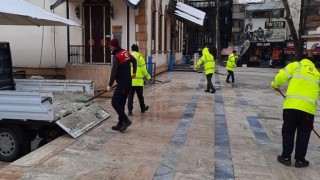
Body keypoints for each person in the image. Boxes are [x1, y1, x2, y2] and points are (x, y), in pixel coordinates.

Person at [271, 56, 320, 168]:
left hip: (291, 107)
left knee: (288, 132)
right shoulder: (317, 73)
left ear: (303, 60)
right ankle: (300, 160)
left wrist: (275, 84)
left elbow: (281, 76)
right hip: (308, 110)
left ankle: (286, 157)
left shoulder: (296, 65)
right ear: (313, 64)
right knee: (304, 134)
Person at [106, 38, 137, 132]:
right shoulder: (125, 52)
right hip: (128, 83)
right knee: (121, 103)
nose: (110, 48)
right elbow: (134, 60)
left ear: (114, 46)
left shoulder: (117, 56)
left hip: (123, 84)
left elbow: (114, 72)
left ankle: (126, 121)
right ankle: (120, 123)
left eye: (110, 46)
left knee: (114, 102)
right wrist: (134, 73)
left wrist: (110, 85)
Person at [127, 44, 151, 116]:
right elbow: (143, 69)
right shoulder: (140, 56)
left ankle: (130, 111)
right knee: (140, 96)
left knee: (130, 96)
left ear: (132, 49)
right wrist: (148, 77)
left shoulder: (128, 56)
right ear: (137, 49)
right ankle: (142, 108)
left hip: (131, 81)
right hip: (138, 82)